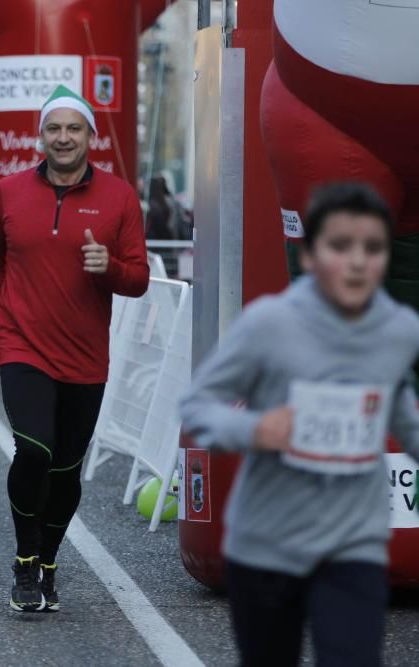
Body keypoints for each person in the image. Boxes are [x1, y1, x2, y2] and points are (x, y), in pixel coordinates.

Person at [180, 182, 419, 667]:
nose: (356, 262)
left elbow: (403, 417)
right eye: (339, 246)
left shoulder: (399, 331)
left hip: (353, 546)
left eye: (372, 248)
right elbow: (197, 406)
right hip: (268, 543)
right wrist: (255, 431)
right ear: (308, 256)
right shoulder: (269, 324)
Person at [0, 84, 149, 612]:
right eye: (54, 128)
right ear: (40, 136)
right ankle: (25, 560)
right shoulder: (9, 191)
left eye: (74, 128)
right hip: (23, 345)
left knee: (66, 469)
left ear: (90, 136)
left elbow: (137, 278)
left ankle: (48, 561)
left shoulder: (120, 196)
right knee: (34, 451)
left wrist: (109, 269)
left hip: (85, 355)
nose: (63, 137)